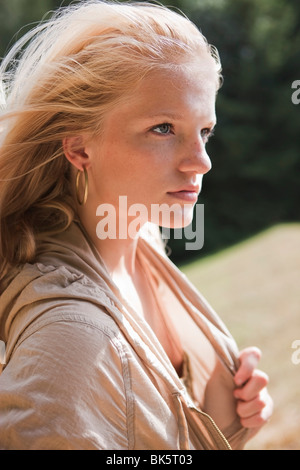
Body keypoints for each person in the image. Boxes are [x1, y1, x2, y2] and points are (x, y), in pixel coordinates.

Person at [0, 0, 273, 450]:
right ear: (79, 149)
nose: (201, 162)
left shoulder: (141, 240)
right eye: (163, 128)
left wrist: (222, 424)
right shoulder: (69, 338)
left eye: (204, 131)